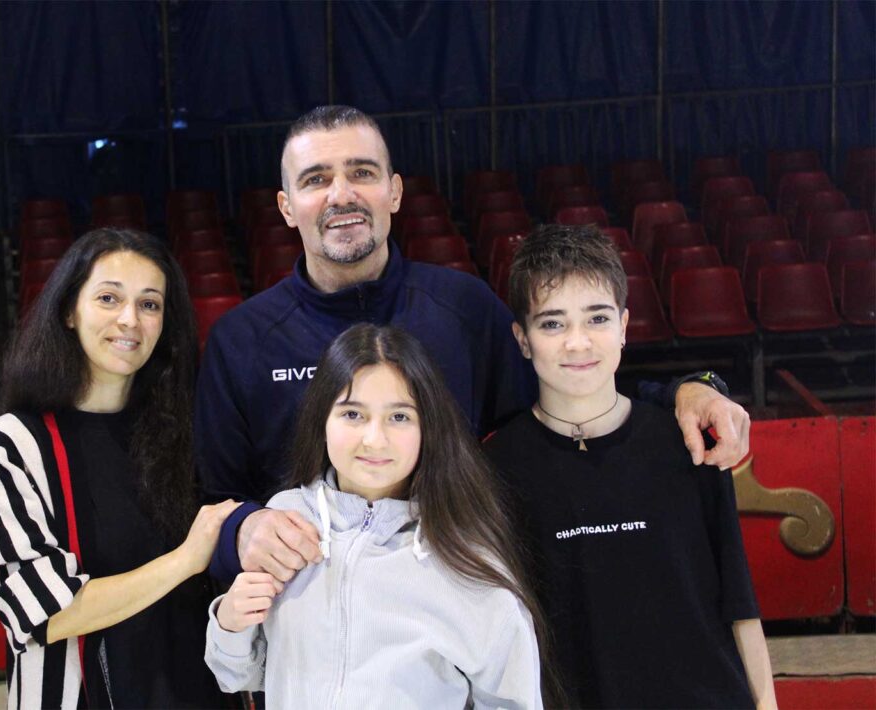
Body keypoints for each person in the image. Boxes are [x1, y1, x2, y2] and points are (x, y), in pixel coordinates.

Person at [194, 104, 751, 584]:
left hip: (453, 601)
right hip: (311, 613)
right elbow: (212, 500)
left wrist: (686, 391)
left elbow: (566, 403)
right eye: (316, 179)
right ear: (287, 207)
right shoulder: (241, 341)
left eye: (361, 172)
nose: (342, 194)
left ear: (394, 192)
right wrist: (241, 531)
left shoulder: (462, 308)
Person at [483, 224, 777, 709]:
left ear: (623, 326)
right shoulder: (495, 468)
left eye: (596, 319)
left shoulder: (689, 441)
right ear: (522, 339)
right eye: (553, 323)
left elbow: (739, 605)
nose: (577, 343)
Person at [205, 323, 562, 709]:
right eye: (353, 414)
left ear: (429, 427)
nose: (374, 439)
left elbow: (514, 702)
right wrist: (230, 621)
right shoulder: (285, 523)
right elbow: (238, 676)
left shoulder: (467, 560)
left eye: (399, 417)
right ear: (322, 419)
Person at [0, 228, 239, 709]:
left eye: (150, 305)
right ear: (69, 311)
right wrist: (185, 560)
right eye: (109, 298)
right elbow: (46, 614)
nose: (130, 320)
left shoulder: (187, 432)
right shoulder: (12, 446)